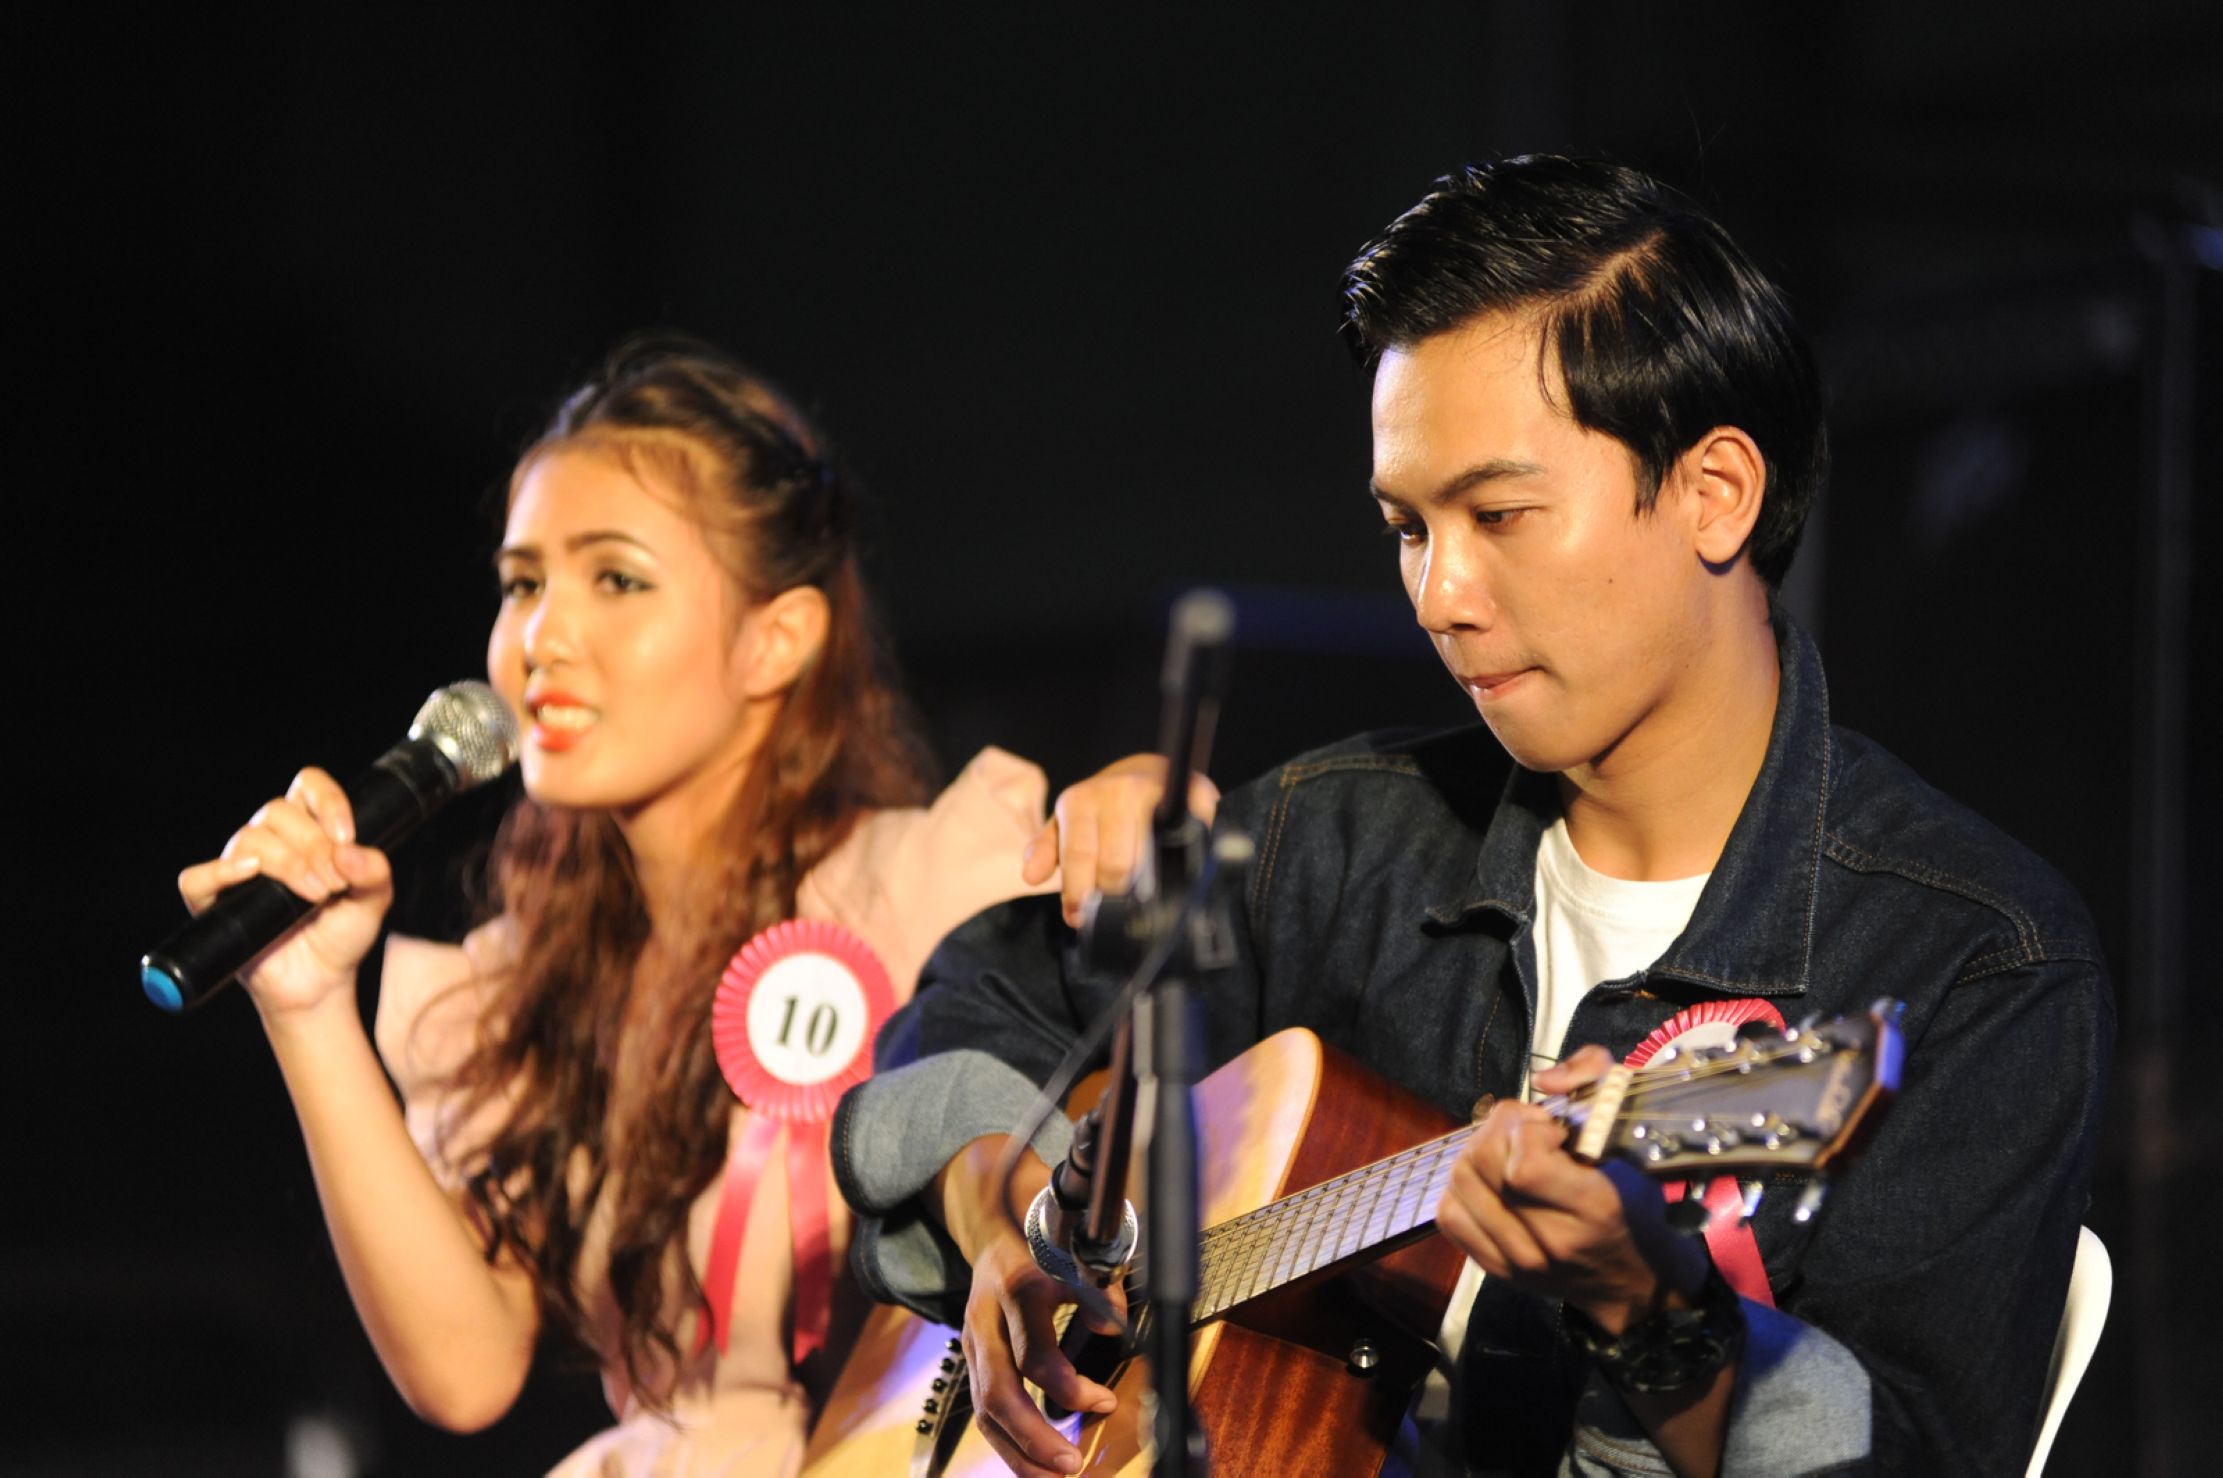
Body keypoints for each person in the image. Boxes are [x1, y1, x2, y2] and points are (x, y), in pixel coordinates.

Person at [833, 158, 2113, 1477]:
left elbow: (1905, 1454)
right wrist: (1011, 1226)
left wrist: (1646, 1307)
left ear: (1716, 491)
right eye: (1407, 526)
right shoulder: (1330, 840)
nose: (1439, 594)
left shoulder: (1970, 960)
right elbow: (978, 1001)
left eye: (1498, 514)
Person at [173, 337, 1174, 1476]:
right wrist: (307, 1008)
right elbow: (463, 1368)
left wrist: (1149, 809)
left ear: (774, 640)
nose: (541, 639)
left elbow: (1145, 1139)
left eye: (616, 579)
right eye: (522, 583)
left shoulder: (933, 885)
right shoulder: (527, 986)